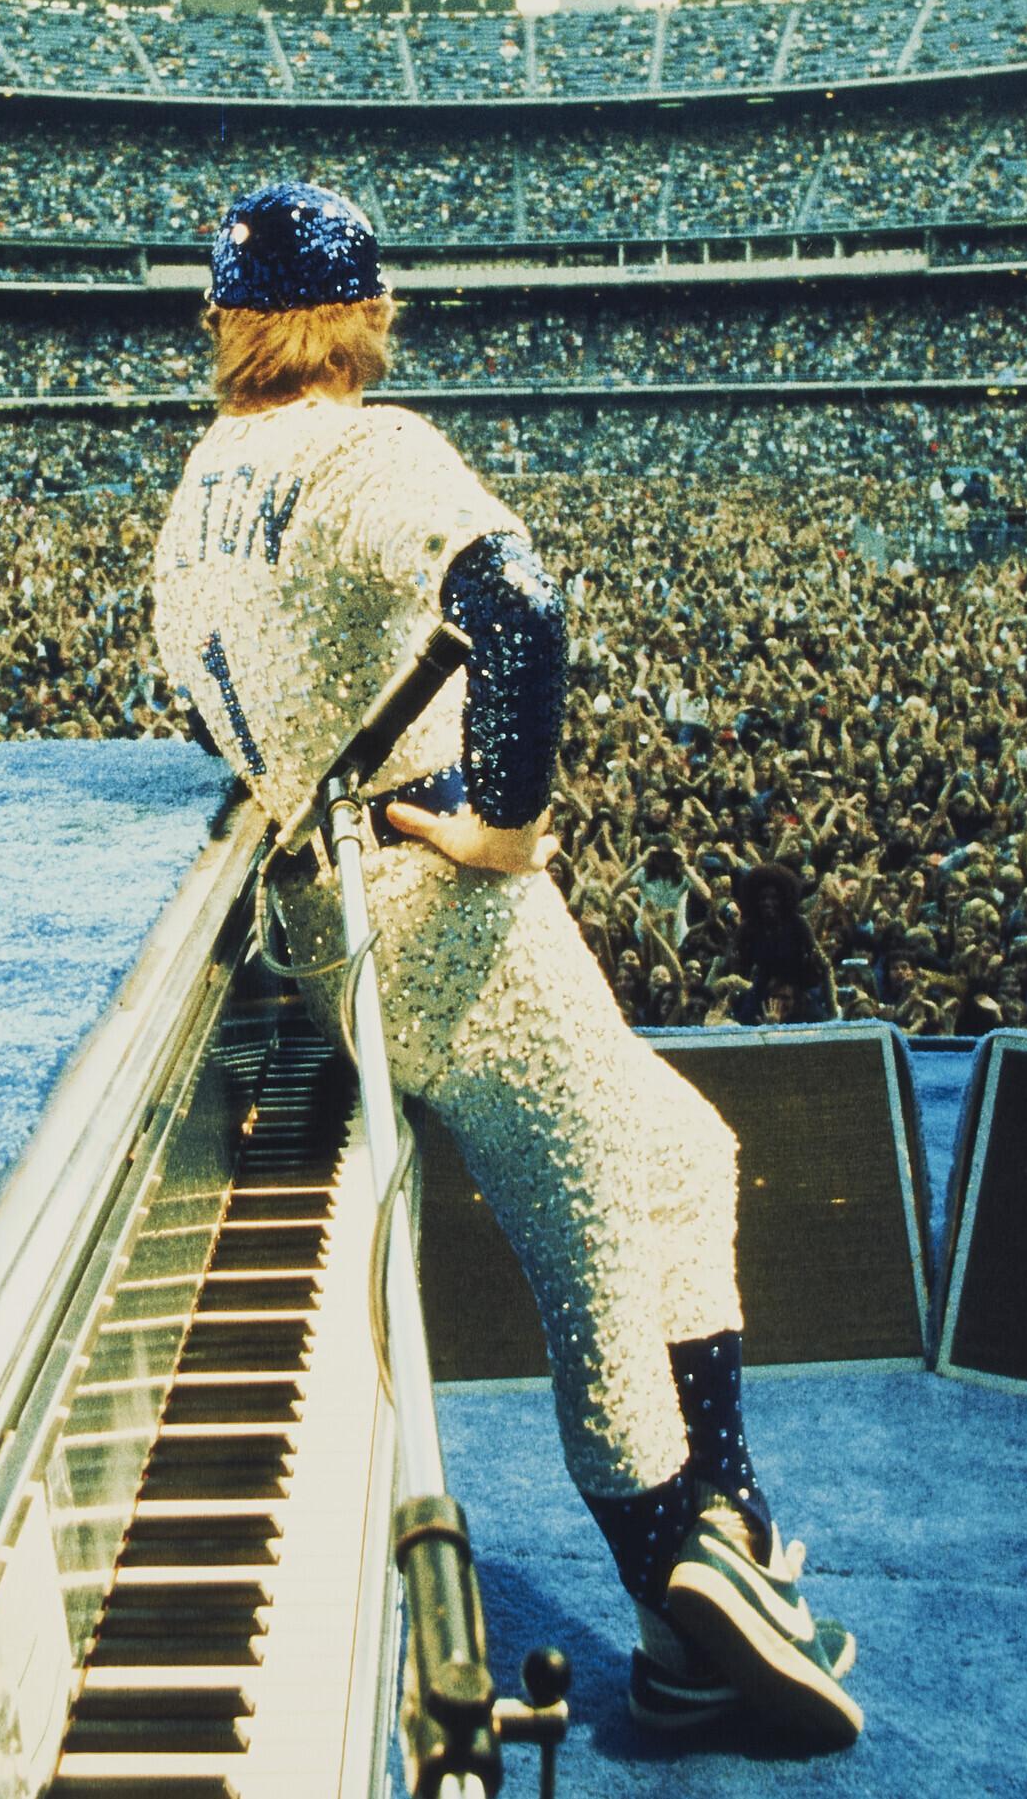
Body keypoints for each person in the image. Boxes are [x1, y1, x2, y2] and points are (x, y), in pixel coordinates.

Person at [149, 183, 860, 1749]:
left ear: (230, 321)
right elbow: (520, 606)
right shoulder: (370, 443)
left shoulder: (203, 478)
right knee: (600, 1222)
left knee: (684, 1144)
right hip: (438, 912)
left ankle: (725, 1517)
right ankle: (679, 1596)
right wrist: (502, 822)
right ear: (363, 312)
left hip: (313, 919)